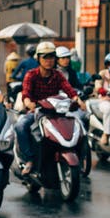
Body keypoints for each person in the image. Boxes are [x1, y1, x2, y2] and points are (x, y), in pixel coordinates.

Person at [17, 42, 87, 175]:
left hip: (56, 113)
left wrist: (78, 100)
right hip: (37, 111)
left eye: (52, 57)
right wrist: (29, 103)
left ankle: (80, 157)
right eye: (45, 57)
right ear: (38, 58)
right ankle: (29, 159)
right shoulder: (31, 74)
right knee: (20, 126)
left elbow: (69, 90)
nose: (49, 61)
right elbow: (26, 93)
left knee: (79, 127)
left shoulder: (58, 75)